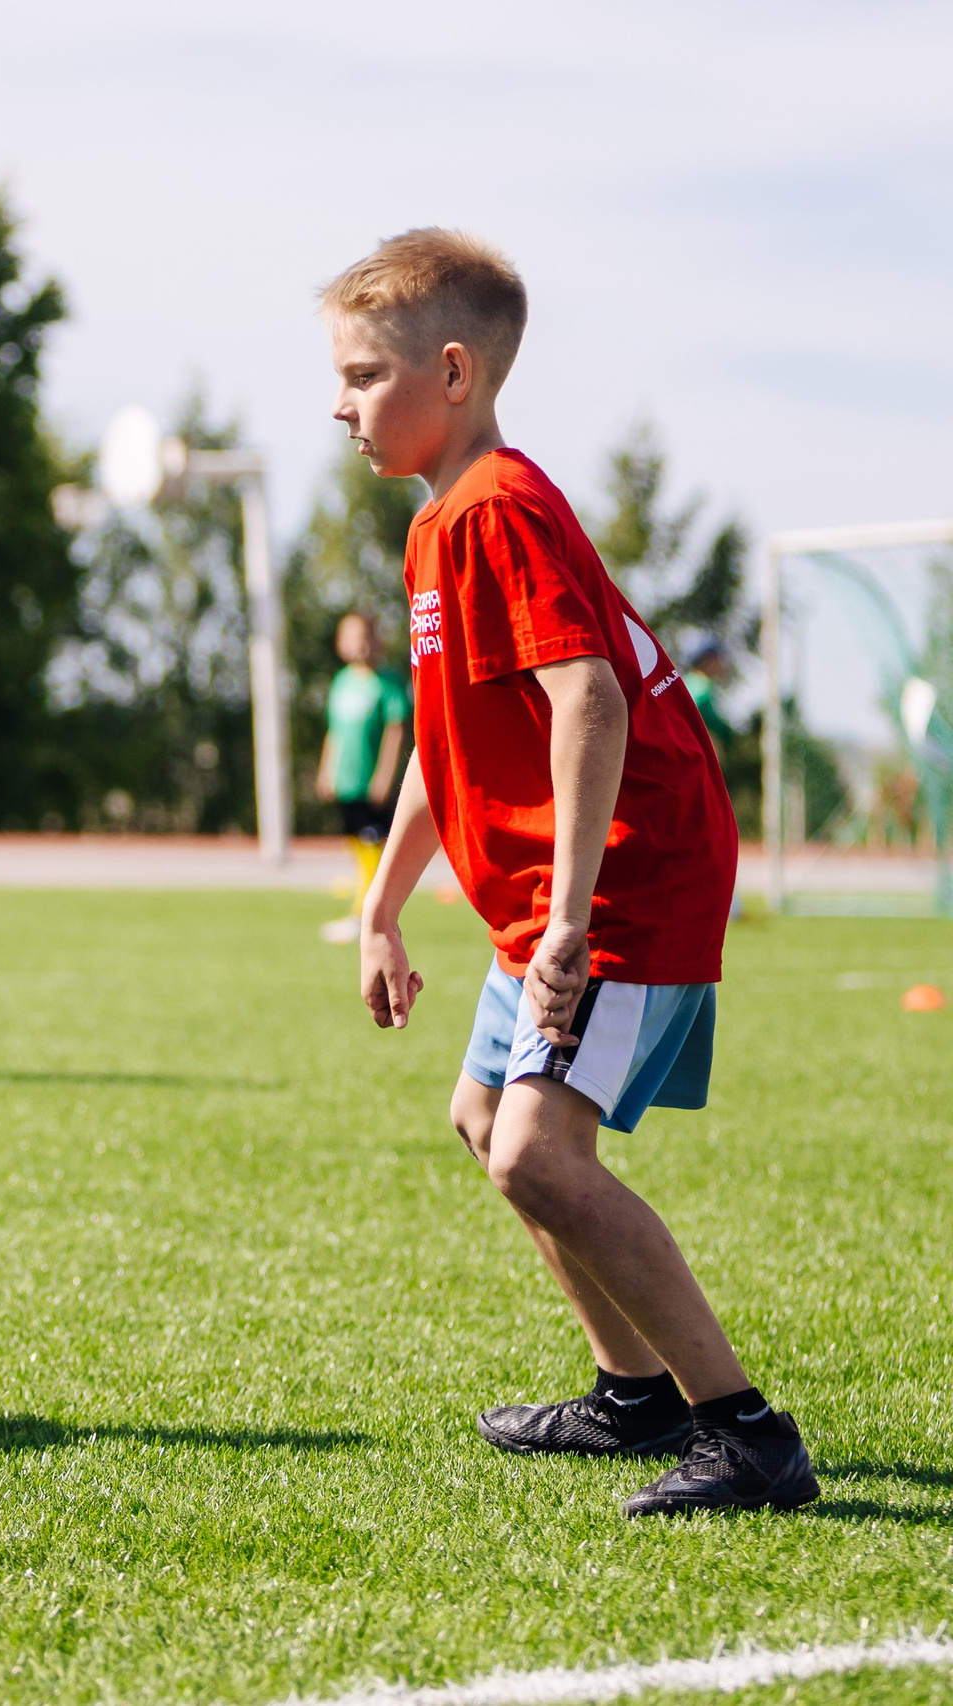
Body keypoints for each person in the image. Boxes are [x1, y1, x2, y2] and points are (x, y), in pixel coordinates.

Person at [330, 228, 814, 1518]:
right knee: (484, 1117)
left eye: (364, 375)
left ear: (451, 373)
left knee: (538, 1154)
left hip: (620, 877)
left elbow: (587, 699)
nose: (340, 404)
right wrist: (382, 906)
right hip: (560, 888)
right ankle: (633, 1393)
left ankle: (745, 1432)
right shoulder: (437, 525)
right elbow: (445, 742)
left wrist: (565, 920)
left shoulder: (498, 507)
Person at [314, 611, 408, 944]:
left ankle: (366, 913)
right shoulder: (341, 682)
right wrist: (326, 769)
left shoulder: (388, 682)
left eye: (365, 635)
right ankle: (362, 906)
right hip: (346, 780)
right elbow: (335, 732)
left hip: (371, 782)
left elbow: (395, 731)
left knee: (374, 846)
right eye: (352, 636)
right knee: (356, 844)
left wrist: (384, 775)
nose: (359, 643)